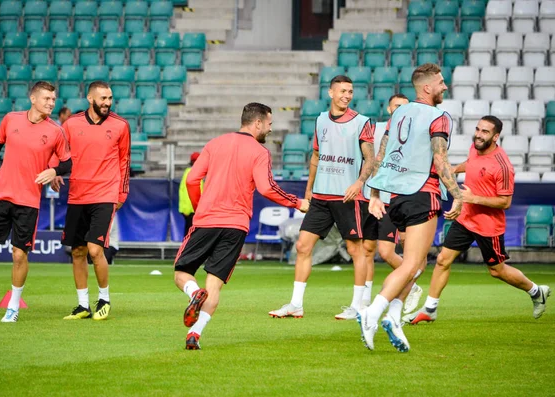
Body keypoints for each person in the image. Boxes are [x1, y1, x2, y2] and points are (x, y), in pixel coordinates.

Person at [174, 102, 309, 350]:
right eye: (269, 124)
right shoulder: (259, 152)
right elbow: (266, 188)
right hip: (236, 226)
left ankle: (194, 293)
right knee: (214, 284)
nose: (270, 129)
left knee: (181, 273)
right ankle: (195, 333)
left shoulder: (215, 144)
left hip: (207, 220)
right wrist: (297, 202)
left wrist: (199, 207)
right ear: (257, 123)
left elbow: (193, 179)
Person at [403, 116, 551, 324]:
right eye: (478, 129)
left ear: (496, 136)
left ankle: (536, 291)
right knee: (443, 259)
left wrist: (473, 198)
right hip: (465, 219)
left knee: (496, 271)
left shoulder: (503, 166)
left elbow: (505, 202)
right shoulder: (475, 148)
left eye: (485, 132)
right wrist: (454, 169)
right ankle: (430, 309)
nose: (479, 135)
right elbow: (472, 164)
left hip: (488, 226)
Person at [361, 63, 463, 352]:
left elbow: (381, 154)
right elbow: (440, 160)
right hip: (423, 192)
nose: (445, 86)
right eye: (441, 82)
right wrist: (457, 195)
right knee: (411, 265)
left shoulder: (399, 113)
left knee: (417, 265)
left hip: (397, 196)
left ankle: (394, 316)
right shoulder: (439, 116)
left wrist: (375, 193)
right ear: (427, 87)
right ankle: (373, 311)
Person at [0, 81, 71, 322]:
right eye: (47, 99)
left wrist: (54, 171)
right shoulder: (11, 119)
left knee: (19, 255)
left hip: (29, 202)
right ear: (33, 99)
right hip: (1, 196)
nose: (51, 103)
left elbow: (67, 163)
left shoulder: (55, 131)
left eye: (53, 100)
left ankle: (13, 306)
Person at [268, 75, 376, 320]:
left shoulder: (361, 122)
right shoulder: (320, 121)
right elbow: (316, 156)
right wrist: (308, 190)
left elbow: (370, 158)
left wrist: (359, 183)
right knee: (302, 246)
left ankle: (358, 307)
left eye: (350, 91)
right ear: (331, 93)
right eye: (342, 91)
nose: (347, 95)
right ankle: (296, 304)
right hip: (320, 196)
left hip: (347, 197)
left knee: (355, 251)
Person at [50, 81, 130, 321]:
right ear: (90, 98)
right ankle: (82, 305)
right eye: (103, 98)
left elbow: (124, 161)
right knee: (77, 251)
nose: (107, 102)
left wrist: (122, 193)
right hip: (77, 195)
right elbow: (59, 153)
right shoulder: (71, 124)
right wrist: (54, 172)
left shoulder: (120, 126)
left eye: (110, 98)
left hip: (105, 195)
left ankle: (104, 299)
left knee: (95, 250)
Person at [359, 94, 423, 315]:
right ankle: (363, 301)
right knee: (366, 250)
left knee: (387, 252)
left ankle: (411, 283)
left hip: (395, 199)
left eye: (404, 107)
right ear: (388, 108)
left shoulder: (412, 135)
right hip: (371, 197)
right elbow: (369, 159)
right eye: (396, 106)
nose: (399, 110)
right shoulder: (374, 130)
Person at [179, 152, 201, 237]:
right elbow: (185, 193)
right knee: (190, 232)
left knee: (191, 231)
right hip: (191, 209)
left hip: (193, 208)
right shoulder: (192, 173)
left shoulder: (191, 172)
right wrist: (187, 210)